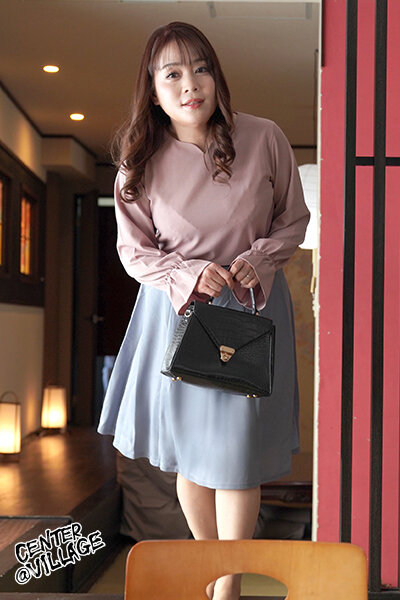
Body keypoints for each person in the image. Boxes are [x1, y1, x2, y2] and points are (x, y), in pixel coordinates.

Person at [98, 21, 309, 600]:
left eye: (201, 68)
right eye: (172, 74)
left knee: (236, 457)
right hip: (178, 316)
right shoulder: (138, 163)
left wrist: (258, 259)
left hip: (249, 312)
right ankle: (213, 576)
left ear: (216, 77)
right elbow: (134, 252)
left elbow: (293, 218)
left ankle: (228, 588)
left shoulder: (264, 137)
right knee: (193, 456)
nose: (190, 84)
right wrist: (188, 273)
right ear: (152, 90)